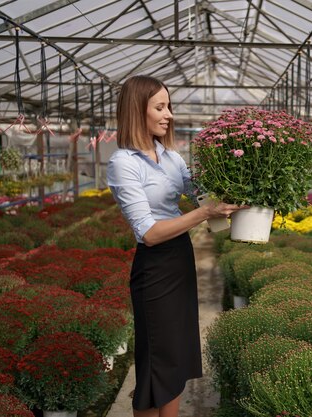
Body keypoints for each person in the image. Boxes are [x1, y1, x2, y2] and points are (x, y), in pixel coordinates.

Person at [107, 75, 245, 417]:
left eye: (169, 106)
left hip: (180, 260)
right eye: (160, 107)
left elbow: (202, 194)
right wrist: (203, 212)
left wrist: (241, 187)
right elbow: (149, 233)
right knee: (157, 359)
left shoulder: (170, 157)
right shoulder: (123, 163)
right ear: (137, 111)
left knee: (177, 358)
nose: (168, 114)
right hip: (154, 267)